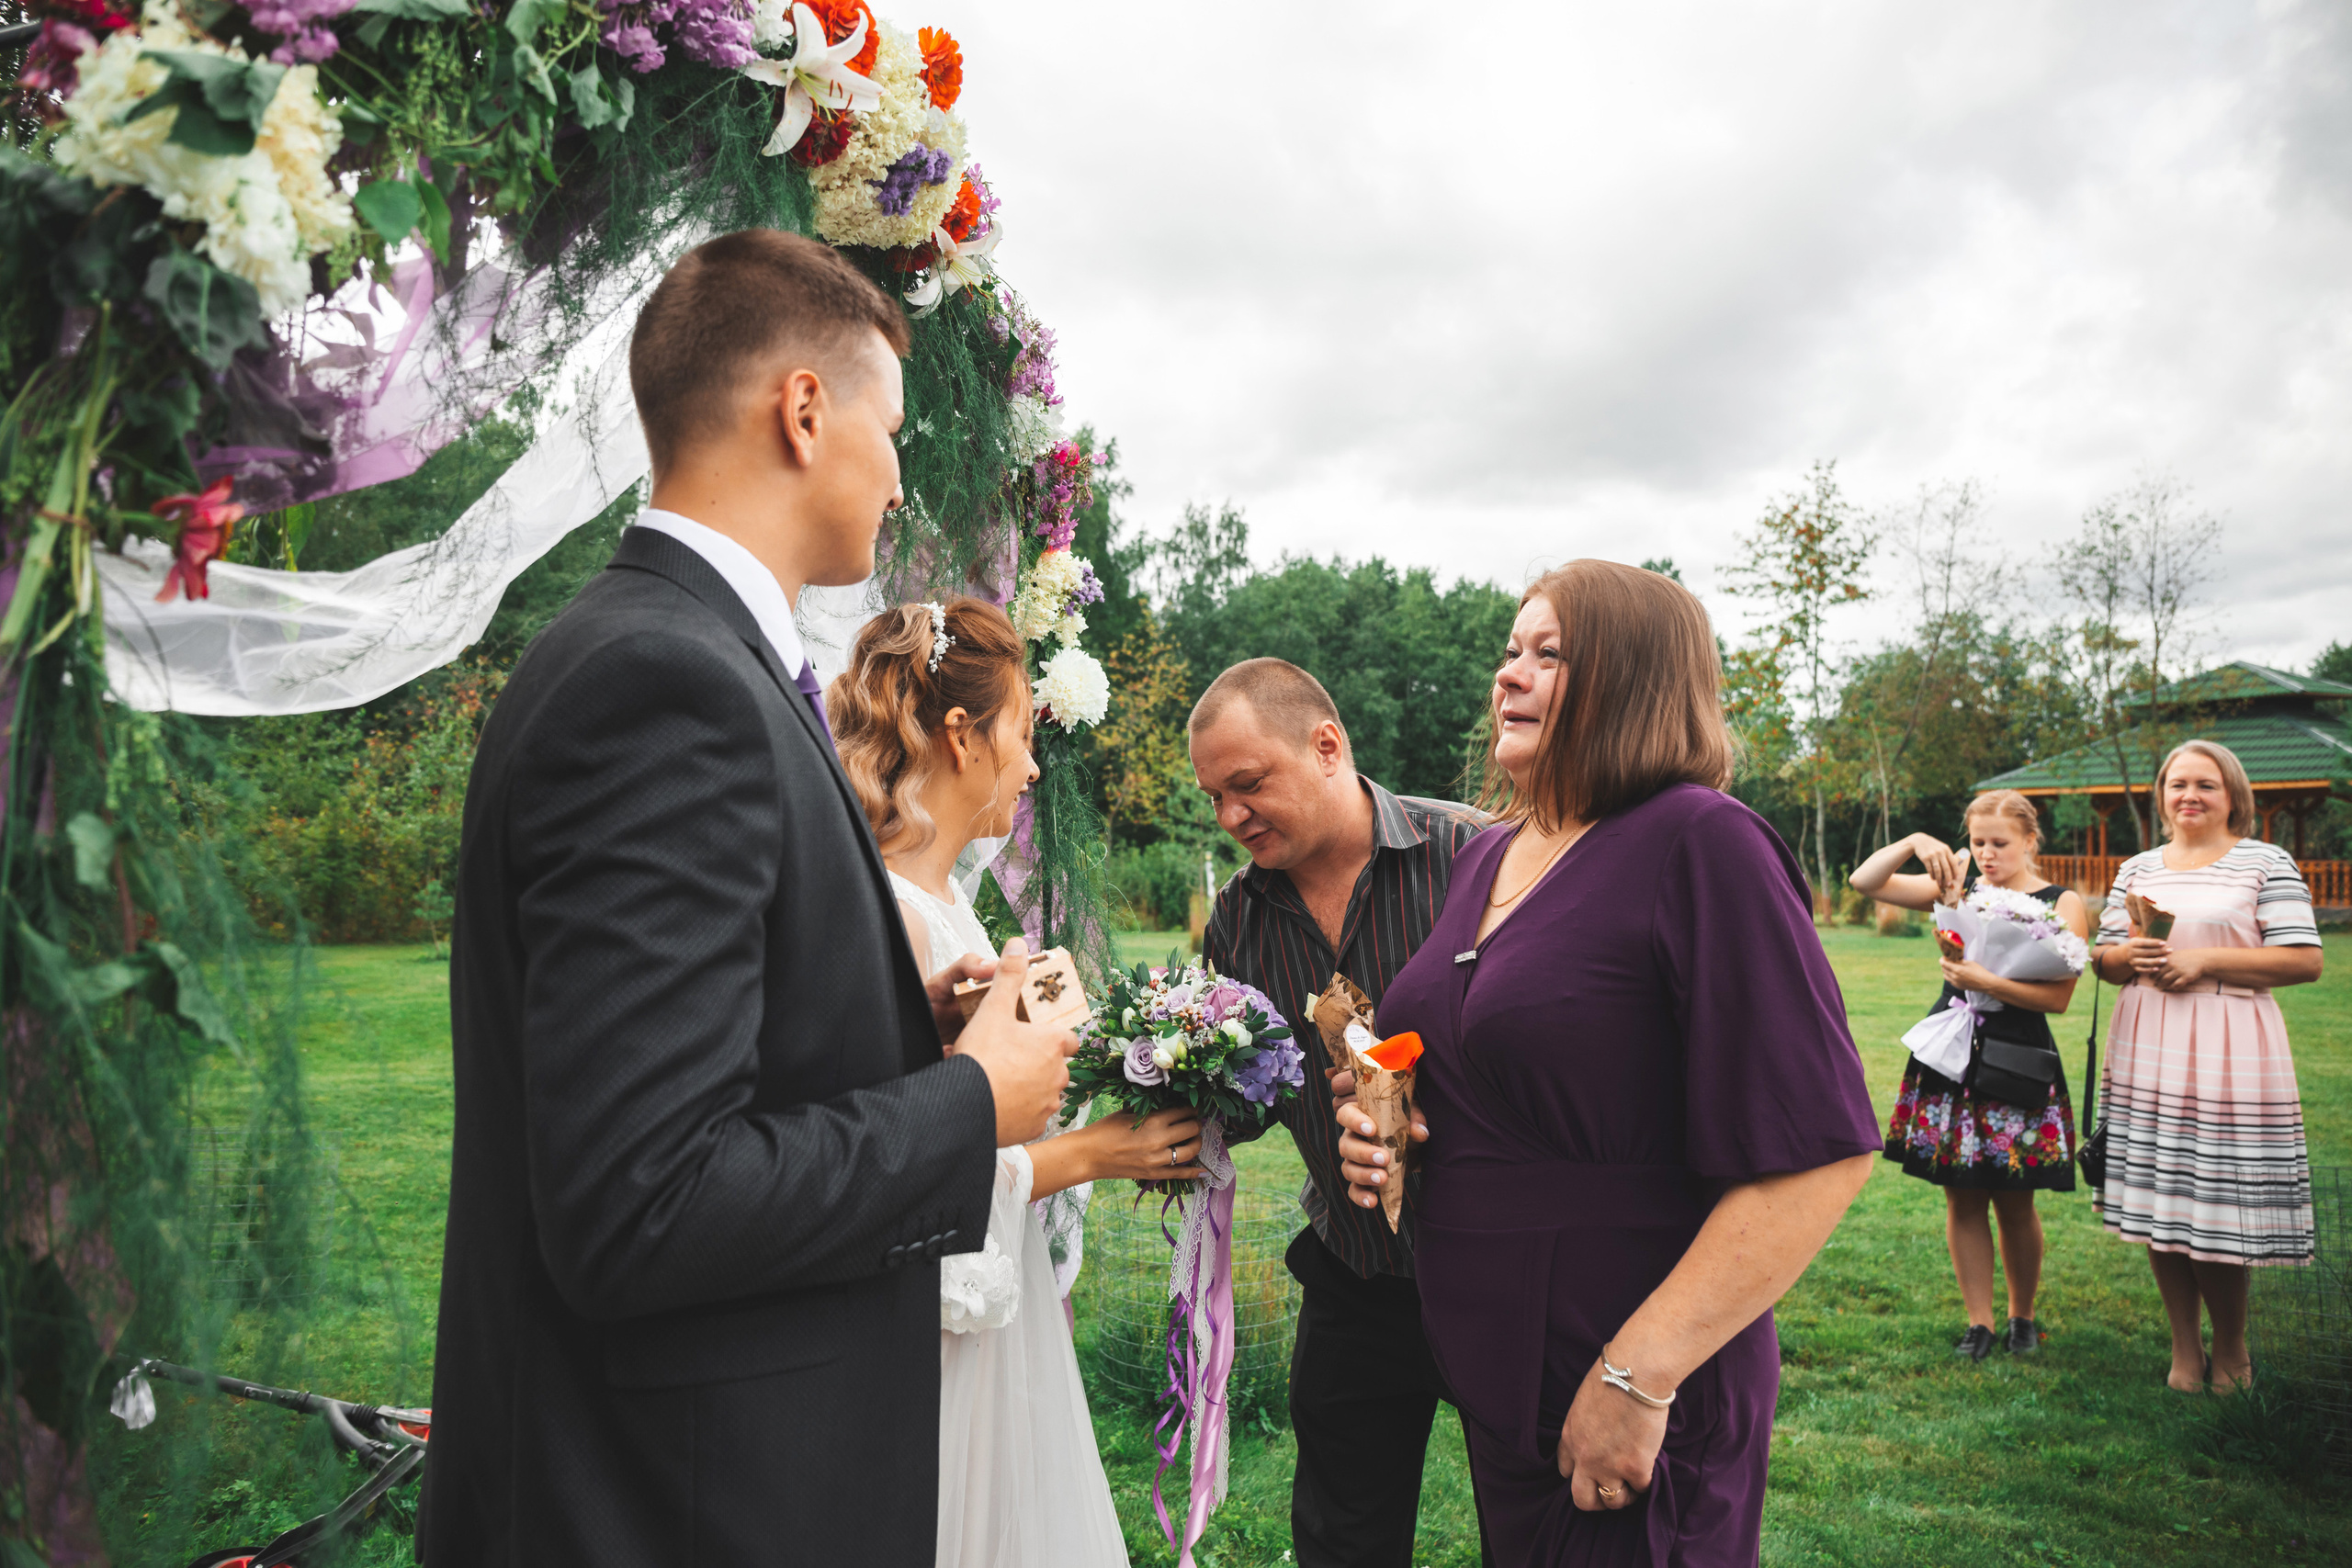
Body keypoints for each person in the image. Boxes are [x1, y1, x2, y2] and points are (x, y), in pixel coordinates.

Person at [424, 231, 1078, 1567]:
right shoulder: (664, 687)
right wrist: (972, 1103)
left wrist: (910, 1018)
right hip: (675, 1506)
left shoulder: (682, 655)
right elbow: (641, 1199)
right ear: (803, 408)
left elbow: (707, 1046)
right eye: (892, 432)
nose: (900, 479)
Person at [1337, 560, 1880, 1567]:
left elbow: (1818, 1154)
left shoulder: (1702, 842)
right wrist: (1387, 1120)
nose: (1508, 674)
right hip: (1502, 1372)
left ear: (1632, 682)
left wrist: (1637, 1378)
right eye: (1510, 651)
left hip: (1632, 1363)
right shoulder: (1487, 857)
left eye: (1549, 655)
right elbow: (1499, 1065)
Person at [830, 596, 1207, 1568]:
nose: (1032, 767)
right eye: (1022, 735)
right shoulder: (895, 913)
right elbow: (897, 1161)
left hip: (1002, 1295)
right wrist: (1086, 1155)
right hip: (937, 1326)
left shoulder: (951, 897)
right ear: (962, 735)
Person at [1187, 658, 1491, 1568]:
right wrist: (1168, 1074)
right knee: (1339, 1539)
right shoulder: (1237, 918)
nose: (1230, 818)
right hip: (1354, 1276)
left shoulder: (1480, 856)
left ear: (1326, 747)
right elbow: (1249, 1101)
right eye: (1213, 798)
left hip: (1500, 1272)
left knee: (1539, 1524)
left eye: (1247, 786)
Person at [2089, 739, 2324, 1393]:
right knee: (2162, 1200)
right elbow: (2102, 958)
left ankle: (2234, 1351)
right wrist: (2127, 955)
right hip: (2148, 1038)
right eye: (2178, 783)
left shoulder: (2264, 862)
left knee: (2216, 1204)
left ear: (2232, 796)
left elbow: (2304, 959)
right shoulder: (2137, 867)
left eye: (2206, 784)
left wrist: (2204, 961)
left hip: (2228, 1039)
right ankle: (2185, 1349)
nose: (2189, 795)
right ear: (2162, 794)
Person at [1849, 792, 2089, 1361]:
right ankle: (1978, 1322)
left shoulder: (2064, 902)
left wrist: (1984, 979)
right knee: (1961, 1199)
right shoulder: (1957, 887)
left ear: (2031, 841)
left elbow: (2059, 998)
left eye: (1999, 843)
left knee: (2014, 1199)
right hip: (1952, 1052)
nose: (1986, 854)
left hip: (2018, 1054)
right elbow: (1866, 882)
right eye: (1978, 842)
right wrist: (1915, 844)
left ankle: (2022, 1317)